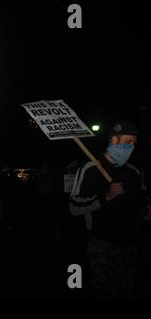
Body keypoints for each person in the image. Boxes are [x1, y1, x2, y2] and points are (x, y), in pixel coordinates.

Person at [69, 121, 150, 299]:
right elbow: (74, 207)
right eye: (128, 141)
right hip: (102, 245)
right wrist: (105, 197)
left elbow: (145, 206)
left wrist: (141, 208)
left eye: (134, 144)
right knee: (103, 291)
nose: (131, 147)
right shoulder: (90, 168)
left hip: (130, 246)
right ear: (114, 140)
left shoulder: (133, 172)